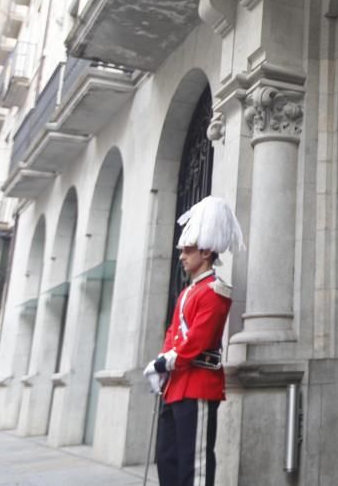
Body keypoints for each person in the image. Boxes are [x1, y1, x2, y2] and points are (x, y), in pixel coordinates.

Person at [143, 196, 244, 486]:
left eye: (188, 250)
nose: (182, 256)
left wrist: (166, 361)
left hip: (198, 382)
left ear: (206, 252)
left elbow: (197, 341)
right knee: (168, 459)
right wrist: (162, 366)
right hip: (176, 385)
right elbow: (172, 333)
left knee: (194, 465)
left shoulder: (215, 291)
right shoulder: (189, 292)